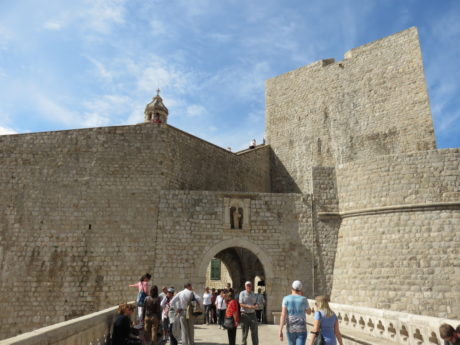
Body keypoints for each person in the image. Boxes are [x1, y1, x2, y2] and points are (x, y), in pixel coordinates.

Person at [278, 280, 312, 345]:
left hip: (290, 329)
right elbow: (309, 312)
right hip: (301, 329)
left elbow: (283, 315)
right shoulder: (303, 299)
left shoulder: (286, 299)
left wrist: (280, 330)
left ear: (292, 288)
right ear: (300, 290)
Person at [239, 281, 259, 345]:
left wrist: (256, 305)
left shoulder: (253, 294)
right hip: (244, 315)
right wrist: (248, 306)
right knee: (245, 333)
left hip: (253, 315)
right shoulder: (242, 293)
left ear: (251, 286)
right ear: (245, 286)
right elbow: (241, 304)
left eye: (250, 285)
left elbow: (255, 303)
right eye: (247, 285)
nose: (248, 287)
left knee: (255, 332)